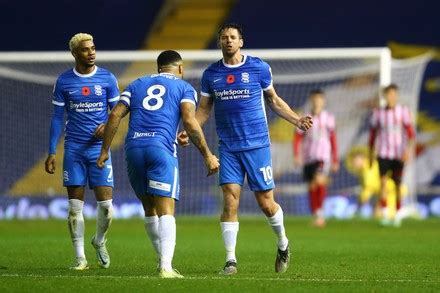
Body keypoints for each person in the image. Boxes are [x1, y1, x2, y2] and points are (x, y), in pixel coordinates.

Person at [178, 23, 313, 274]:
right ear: (219, 43)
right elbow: (205, 109)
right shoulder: (211, 75)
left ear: (241, 41)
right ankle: (230, 260)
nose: (228, 41)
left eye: (233, 37)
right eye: (224, 38)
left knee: (266, 203)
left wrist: (296, 119)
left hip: (257, 145)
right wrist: (190, 128)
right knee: (230, 201)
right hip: (228, 147)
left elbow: (273, 100)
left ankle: (283, 243)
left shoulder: (259, 67)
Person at [97, 50, 219, 279]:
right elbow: (190, 122)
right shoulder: (184, 88)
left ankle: (161, 262)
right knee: (166, 211)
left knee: (149, 208)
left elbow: (114, 116)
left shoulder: (136, 84)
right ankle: (165, 267)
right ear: (180, 68)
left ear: (158, 67)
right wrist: (207, 155)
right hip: (160, 149)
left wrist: (104, 151)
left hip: (133, 149)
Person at [44, 33, 120, 270]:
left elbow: (117, 114)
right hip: (74, 150)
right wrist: (51, 152)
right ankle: (80, 258)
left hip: (99, 150)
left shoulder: (107, 78)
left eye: (93, 48)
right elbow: (57, 118)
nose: (91, 52)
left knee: (107, 208)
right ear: (75, 53)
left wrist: (107, 126)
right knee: (75, 207)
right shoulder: (64, 81)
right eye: (86, 49)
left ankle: (99, 240)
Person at [369, 84, 415, 226]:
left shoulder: (403, 112)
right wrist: (371, 152)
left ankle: (398, 213)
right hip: (383, 152)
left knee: (397, 184)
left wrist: (408, 151)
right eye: (389, 94)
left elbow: (410, 134)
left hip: (399, 153)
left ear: (397, 95)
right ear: (385, 96)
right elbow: (373, 135)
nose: (391, 97)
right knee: (383, 182)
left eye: (394, 94)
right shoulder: (378, 113)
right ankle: (384, 212)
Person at [293, 90, 339, 227]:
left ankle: (320, 214)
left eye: (320, 99)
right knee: (312, 185)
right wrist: (296, 155)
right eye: (315, 99)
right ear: (311, 100)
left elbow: (333, 139)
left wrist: (335, 159)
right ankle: (316, 214)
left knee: (319, 180)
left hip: (323, 156)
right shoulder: (305, 118)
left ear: (323, 101)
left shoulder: (328, 118)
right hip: (308, 156)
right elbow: (297, 138)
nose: (317, 102)